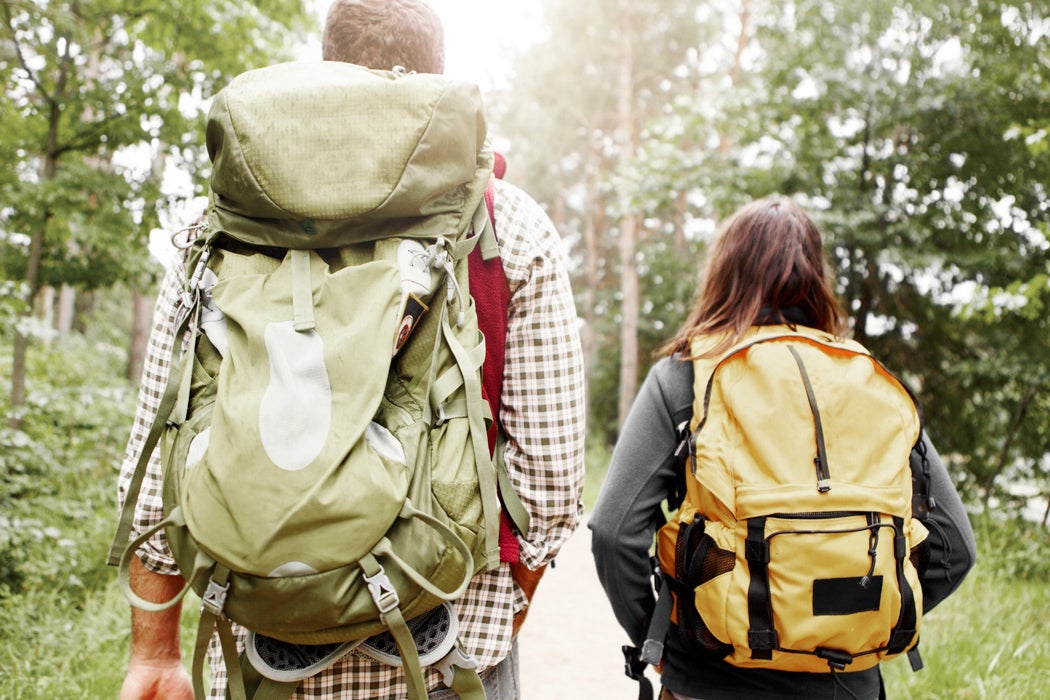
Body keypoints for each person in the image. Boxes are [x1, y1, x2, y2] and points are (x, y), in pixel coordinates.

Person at [116, 1, 586, 698]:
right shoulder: (508, 224)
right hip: (451, 656)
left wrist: (153, 654)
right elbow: (550, 480)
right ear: (436, 78)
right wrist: (500, 617)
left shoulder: (214, 222)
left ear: (327, 62)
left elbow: (159, 461)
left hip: (257, 650)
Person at [589, 195, 976, 700]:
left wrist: (659, 640)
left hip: (710, 679)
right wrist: (861, 621)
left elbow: (614, 532)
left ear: (723, 273)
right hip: (846, 684)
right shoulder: (868, 380)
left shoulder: (686, 376)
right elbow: (957, 549)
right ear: (817, 277)